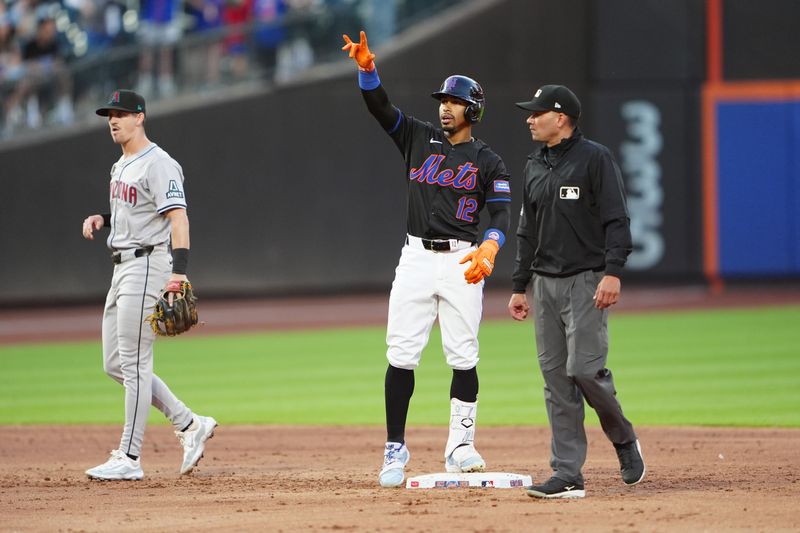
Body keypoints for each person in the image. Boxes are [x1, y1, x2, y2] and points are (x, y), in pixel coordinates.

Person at [342, 31, 512, 488]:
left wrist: (490, 246)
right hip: (416, 257)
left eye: (454, 102)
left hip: (463, 260)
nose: (444, 107)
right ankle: (395, 448)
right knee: (401, 355)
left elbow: (500, 213)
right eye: (442, 100)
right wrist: (367, 71)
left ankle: (460, 445)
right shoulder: (418, 137)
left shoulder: (489, 161)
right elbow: (382, 110)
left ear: (472, 110)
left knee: (464, 356)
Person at [507, 84, 645, 499]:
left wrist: (613, 272)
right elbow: (526, 231)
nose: (529, 118)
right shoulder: (533, 164)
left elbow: (617, 221)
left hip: (586, 282)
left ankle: (623, 438)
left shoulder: (595, 159)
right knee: (556, 383)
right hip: (544, 285)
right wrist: (519, 286)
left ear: (561, 117)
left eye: (537, 113)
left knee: (584, 371)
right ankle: (567, 473)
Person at [81, 90, 217, 481]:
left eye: (121, 113)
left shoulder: (159, 164)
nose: (113, 120)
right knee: (115, 364)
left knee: (135, 363)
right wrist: (103, 219)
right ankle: (190, 424)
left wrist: (179, 272)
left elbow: (178, 219)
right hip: (121, 265)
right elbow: (136, 211)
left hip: (147, 265)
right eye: (110, 114)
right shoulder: (120, 165)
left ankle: (129, 456)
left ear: (140, 117)